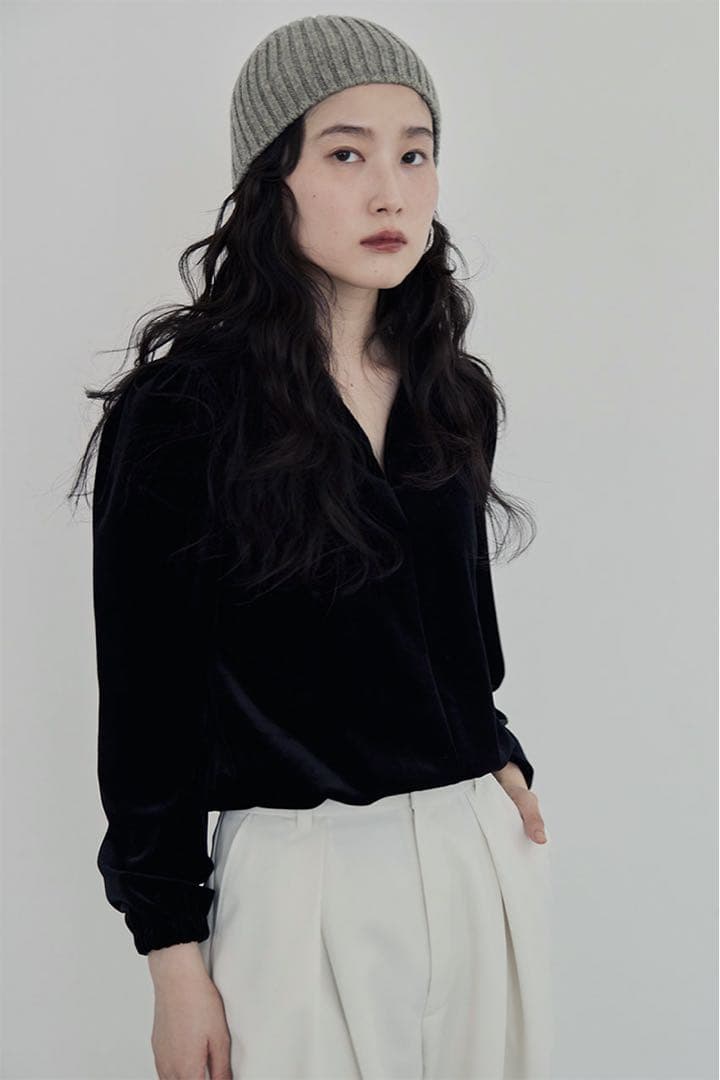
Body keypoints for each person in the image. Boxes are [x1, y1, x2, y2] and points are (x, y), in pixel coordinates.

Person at [71, 13, 554, 1079]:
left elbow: (455, 632)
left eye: (414, 154)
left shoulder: (450, 392)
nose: (391, 193)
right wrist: (173, 959)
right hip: (302, 880)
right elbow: (147, 705)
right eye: (345, 154)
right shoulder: (184, 411)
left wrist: (494, 745)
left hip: (474, 855)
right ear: (271, 179)